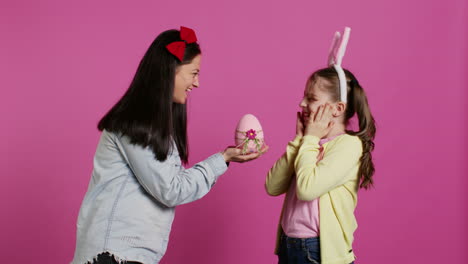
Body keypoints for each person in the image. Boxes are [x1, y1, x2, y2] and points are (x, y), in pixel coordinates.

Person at [71, 26, 266, 264]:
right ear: (171, 70)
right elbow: (171, 189)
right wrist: (222, 159)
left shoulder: (154, 124)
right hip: (113, 254)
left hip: (125, 254)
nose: (197, 83)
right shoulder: (138, 123)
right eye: (193, 73)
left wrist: (225, 158)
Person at [265, 67, 376, 264]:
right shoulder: (309, 144)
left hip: (318, 251)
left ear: (337, 108)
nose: (302, 103)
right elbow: (272, 186)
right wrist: (299, 140)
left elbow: (307, 189)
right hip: (289, 245)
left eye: (312, 98)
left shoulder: (348, 146)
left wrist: (309, 138)